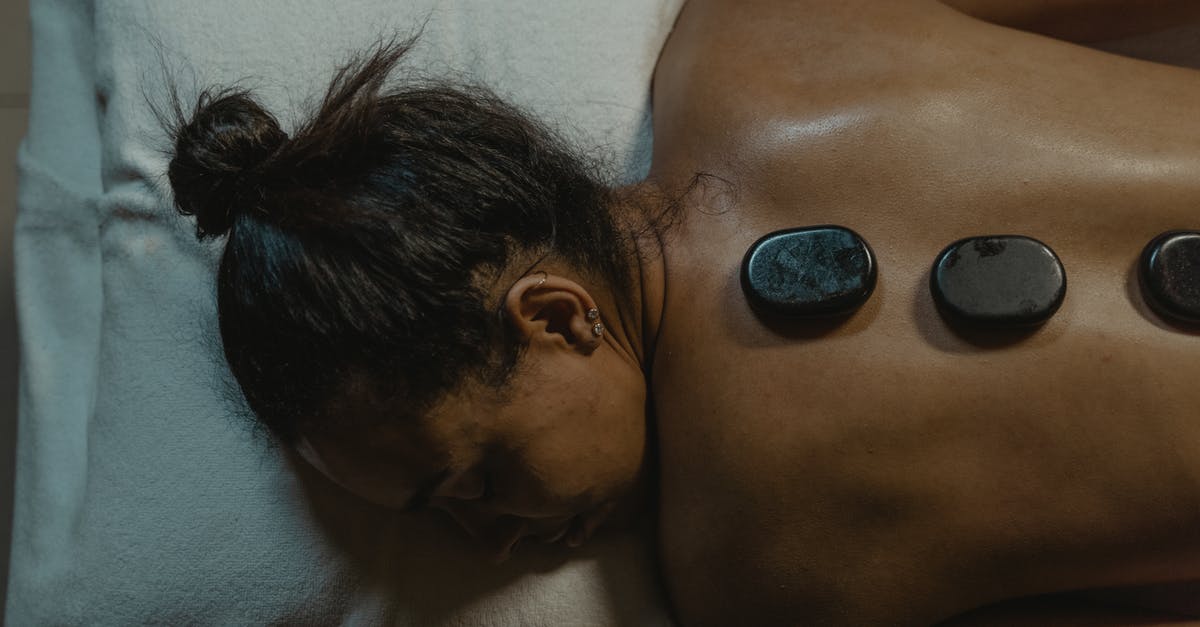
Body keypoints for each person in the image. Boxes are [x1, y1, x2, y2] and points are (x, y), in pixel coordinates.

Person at [167, 1, 1200, 624]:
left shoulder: (754, 580)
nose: (489, 544)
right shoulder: (770, 31)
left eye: (470, 480)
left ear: (559, 318)